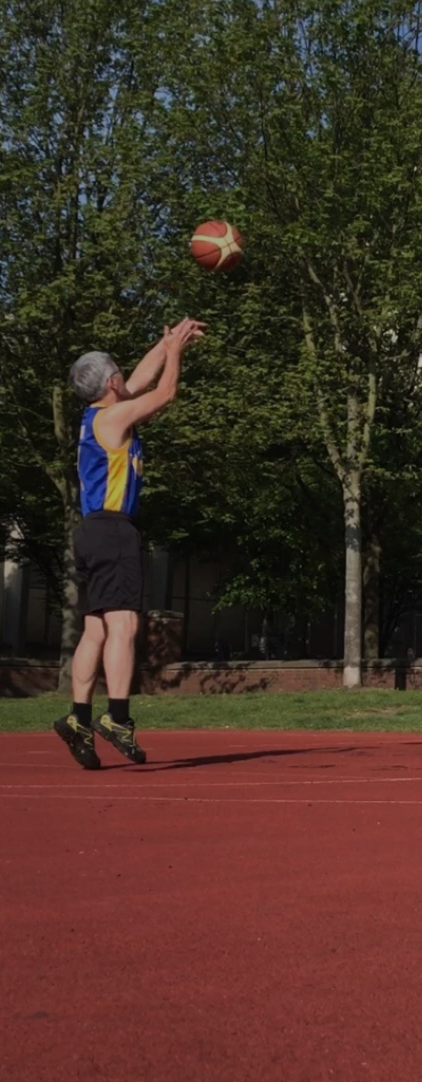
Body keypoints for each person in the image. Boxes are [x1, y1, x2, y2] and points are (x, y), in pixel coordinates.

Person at [54, 318, 205, 770]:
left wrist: (164, 344)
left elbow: (138, 381)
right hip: (116, 531)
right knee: (124, 626)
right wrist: (176, 356)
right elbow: (163, 394)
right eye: (120, 374)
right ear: (112, 383)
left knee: (97, 628)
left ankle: (79, 718)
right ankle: (117, 718)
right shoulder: (116, 416)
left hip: (91, 531)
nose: (126, 378)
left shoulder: (97, 413)